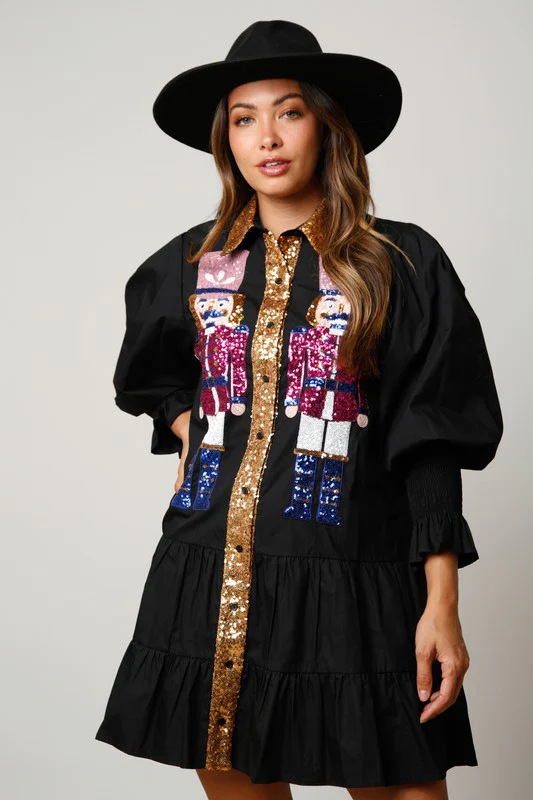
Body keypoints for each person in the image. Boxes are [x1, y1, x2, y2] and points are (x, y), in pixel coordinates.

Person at [94, 19, 504, 800]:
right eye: (243, 119)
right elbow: (151, 381)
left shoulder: (398, 261)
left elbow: (429, 437)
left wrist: (440, 604)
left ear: (326, 126)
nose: (266, 138)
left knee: (406, 784)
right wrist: (190, 428)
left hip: (354, 572)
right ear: (225, 140)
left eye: (289, 112)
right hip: (209, 568)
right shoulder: (191, 262)